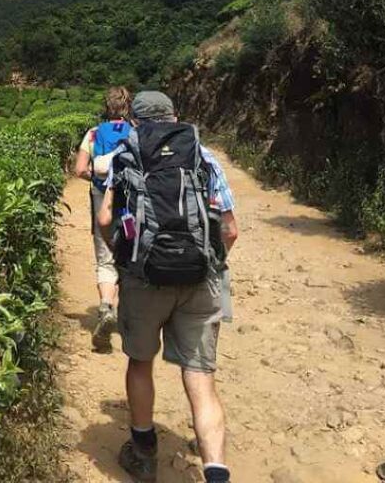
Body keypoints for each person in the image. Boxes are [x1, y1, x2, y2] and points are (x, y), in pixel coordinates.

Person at [98, 91, 239, 483]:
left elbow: (106, 218)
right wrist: (210, 264)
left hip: (144, 279)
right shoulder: (203, 155)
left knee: (141, 363)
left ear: (135, 121)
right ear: (176, 116)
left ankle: (144, 454)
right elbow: (230, 229)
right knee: (201, 378)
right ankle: (215, 472)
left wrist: (124, 259)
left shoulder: (127, 155)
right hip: (200, 280)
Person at [74, 86, 133, 351]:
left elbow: (79, 169)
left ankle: (107, 306)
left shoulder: (94, 133)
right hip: (131, 207)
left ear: (106, 106)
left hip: (102, 203)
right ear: (127, 106)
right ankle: (132, 316)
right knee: (131, 250)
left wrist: (99, 179)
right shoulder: (137, 132)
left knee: (104, 254)